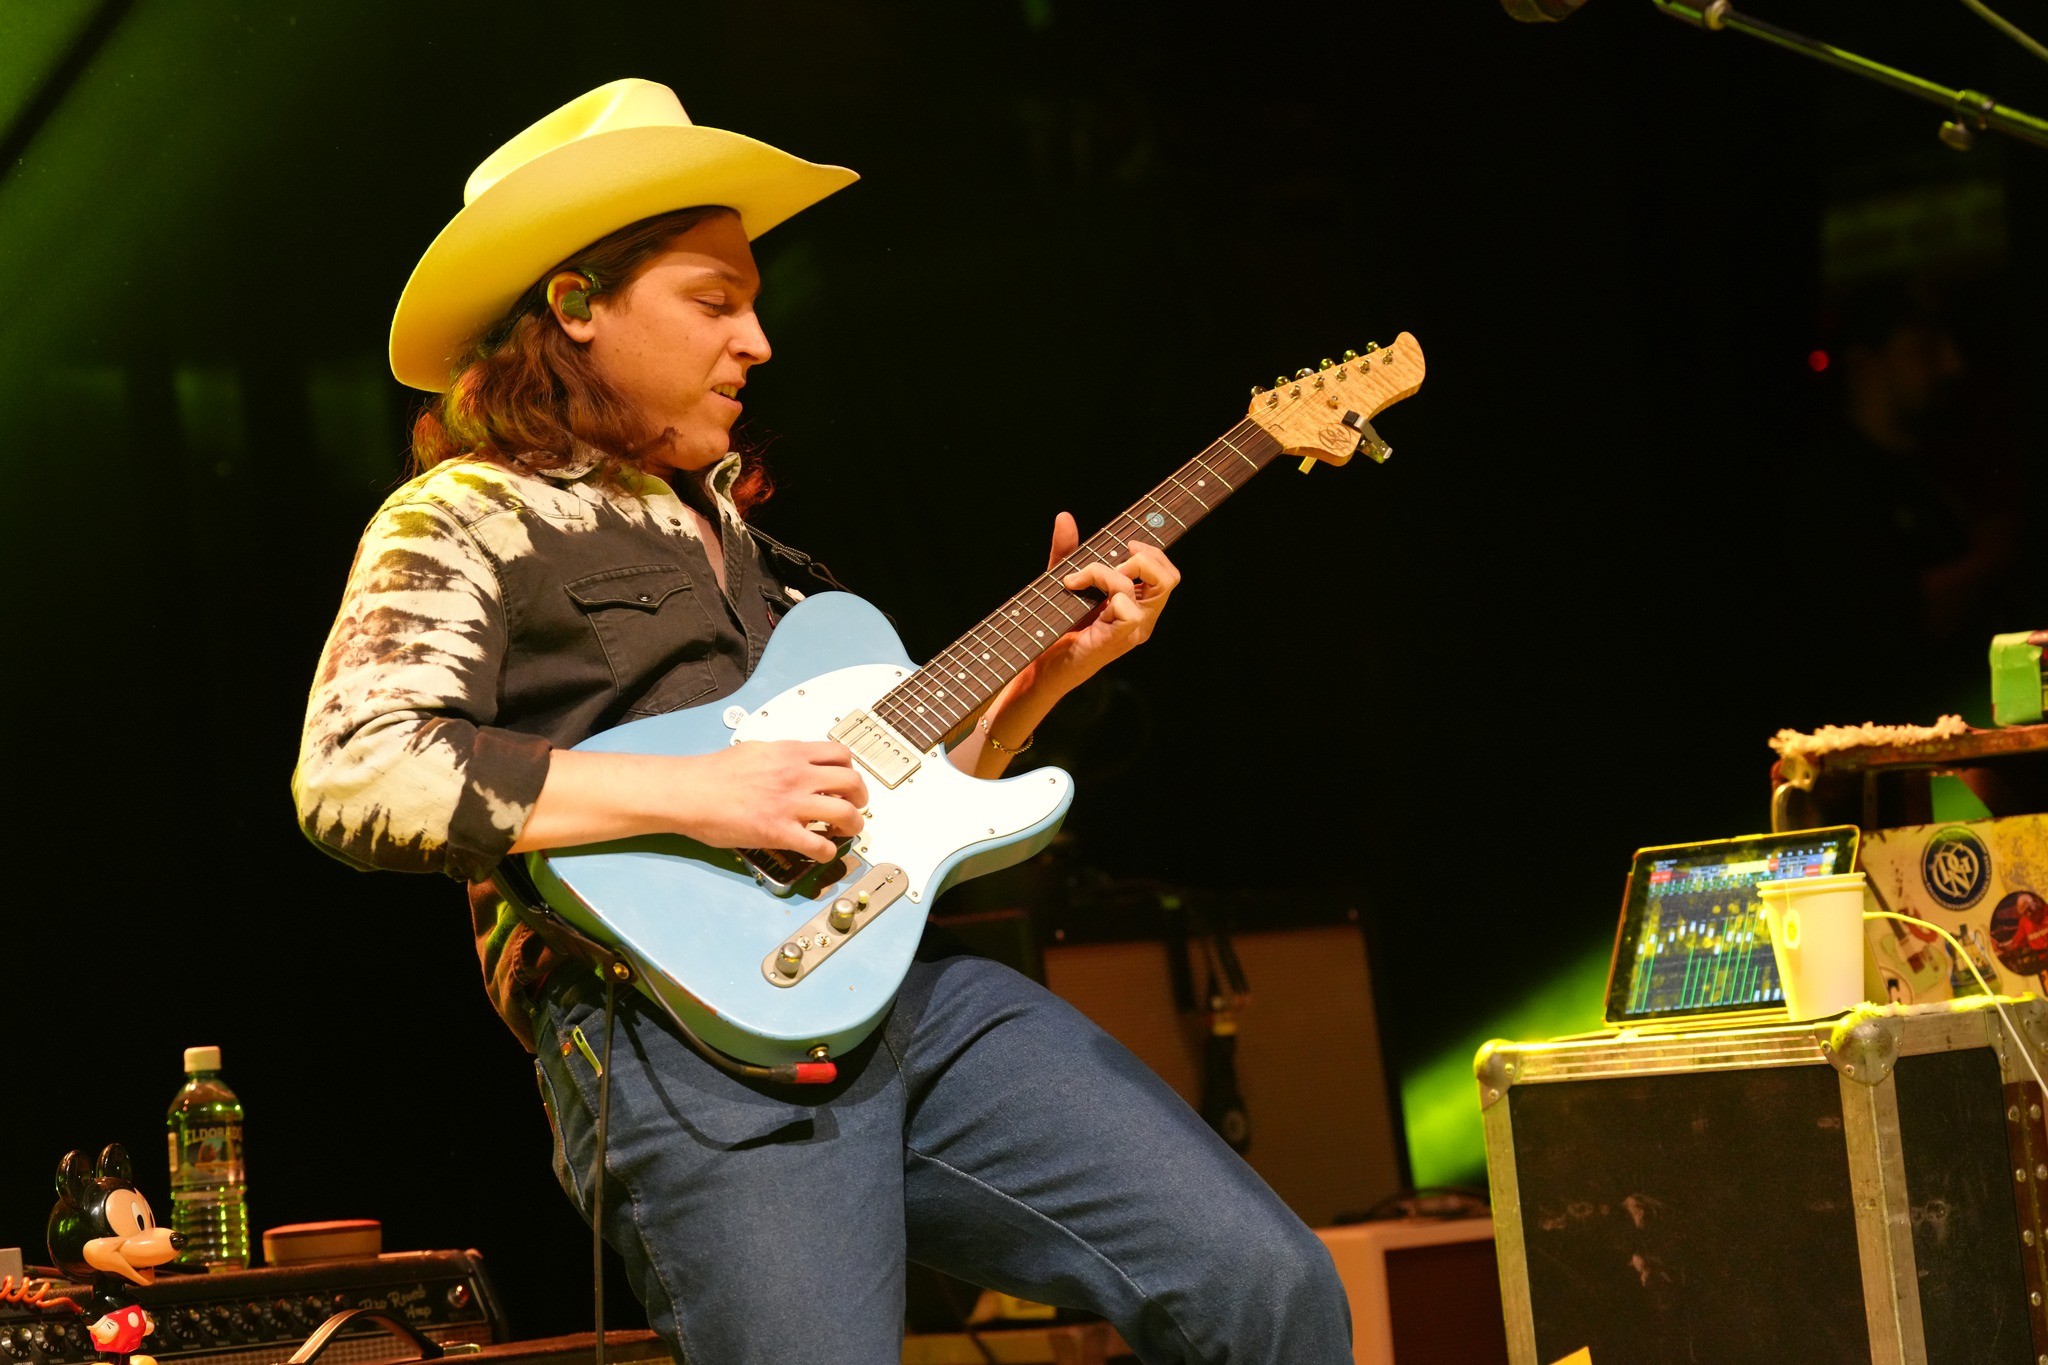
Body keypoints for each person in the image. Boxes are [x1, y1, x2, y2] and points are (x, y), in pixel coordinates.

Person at [292, 79, 1351, 1364]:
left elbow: (892, 794)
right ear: (574, 305)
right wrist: (705, 796)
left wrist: (1044, 683)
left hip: (906, 997)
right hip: (669, 1036)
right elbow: (356, 771)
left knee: (1263, 1280)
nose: (756, 342)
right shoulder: (466, 513)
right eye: (713, 302)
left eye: (752, 304)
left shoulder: (769, 561)